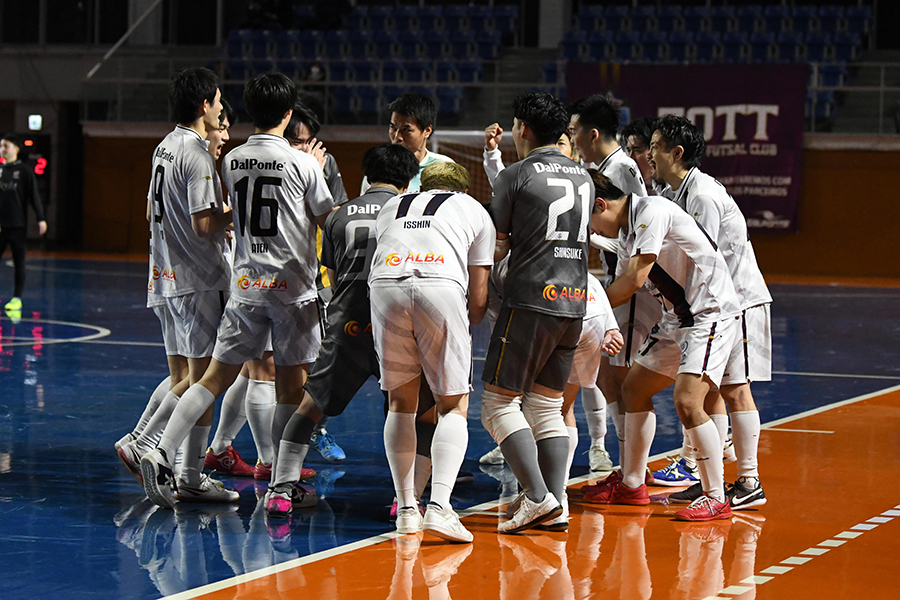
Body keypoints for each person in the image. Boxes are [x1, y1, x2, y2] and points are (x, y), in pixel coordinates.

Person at [141, 71, 334, 510]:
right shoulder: (304, 163)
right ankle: (282, 486)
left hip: (245, 286)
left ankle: (161, 450)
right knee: (290, 386)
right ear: (289, 113)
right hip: (290, 290)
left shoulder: (231, 159)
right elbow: (328, 219)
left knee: (212, 378)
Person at [265, 143, 419, 519]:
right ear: (407, 181)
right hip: (395, 325)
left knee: (309, 408)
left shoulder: (338, 216)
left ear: (366, 176)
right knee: (407, 410)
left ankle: (280, 490)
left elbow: (333, 280)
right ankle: (407, 499)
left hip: (347, 324)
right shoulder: (412, 212)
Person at [584, 173, 742, 522]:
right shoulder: (627, 231)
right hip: (678, 317)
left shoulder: (651, 210)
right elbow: (620, 274)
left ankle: (716, 497)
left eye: (589, 219)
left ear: (600, 204)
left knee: (688, 401)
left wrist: (583, 308)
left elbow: (634, 279)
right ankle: (632, 484)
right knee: (634, 389)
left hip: (710, 312)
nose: (592, 228)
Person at [118, 68, 236, 504]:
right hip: (198, 279)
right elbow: (204, 225)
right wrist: (238, 212)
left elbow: (150, 211)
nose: (221, 110)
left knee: (182, 377)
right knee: (204, 381)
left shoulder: (164, 146)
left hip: (164, 276)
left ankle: (143, 443)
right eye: (218, 102)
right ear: (204, 105)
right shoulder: (196, 153)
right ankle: (178, 467)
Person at [481, 92, 592, 533]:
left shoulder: (516, 174)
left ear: (522, 128)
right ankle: (555, 502)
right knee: (547, 407)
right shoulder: (583, 175)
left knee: (497, 404)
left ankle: (537, 497)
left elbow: (497, 246)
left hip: (530, 299)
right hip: (575, 300)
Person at [650, 115, 770, 509]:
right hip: (717, 305)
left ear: (676, 153)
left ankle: (749, 481)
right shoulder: (676, 192)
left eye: (655, 147)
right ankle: (709, 481)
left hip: (738, 301)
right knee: (713, 391)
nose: (649, 154)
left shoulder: (701, 194)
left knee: (736, 389)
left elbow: (705, 257)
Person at [370, 160, 494, 543]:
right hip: (440, 284)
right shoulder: (474, 208)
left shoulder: (391, 205)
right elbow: (478, 300)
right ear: (464, 189)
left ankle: (407, 510)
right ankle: (440, 507)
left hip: (384, 285)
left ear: (421, 186)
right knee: (452, 405)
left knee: (400, 404)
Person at [568, 94, 660, 476]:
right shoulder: (604, 167)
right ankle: (626, 468)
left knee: (620, 379)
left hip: (631, 285)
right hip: (617, 278)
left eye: (573, 131)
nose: (571, 139)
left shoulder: (621, 169)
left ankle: (632, 471)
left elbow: (638, 228)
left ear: (592, 134)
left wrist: (602, 297)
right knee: (608, 377)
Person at [283, 101, 350, 462]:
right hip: (270, 276)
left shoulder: (326, 164)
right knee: (255, 371)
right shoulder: (272, 163)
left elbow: (335, 218)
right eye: (297, 141)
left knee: (320, 363)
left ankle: (312, 431)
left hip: (314, 278)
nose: (305, 148)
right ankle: (228, 446)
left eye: (310, 141)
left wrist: (316, 174)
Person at [360, 92, 453, 194]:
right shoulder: (377, 168)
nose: (397, 137)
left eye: (406, 130)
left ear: (427, 131)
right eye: (393, 128)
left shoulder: (444, 168)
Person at [0, 133, 47, 316]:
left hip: (17, 225)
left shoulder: (25, 171)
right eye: (1, 146)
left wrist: (41, 218)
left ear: (16, 149)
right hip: (0, 226)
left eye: (6, 146)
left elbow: (34, 196)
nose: (3, 149)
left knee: (19, 261)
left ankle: (16, 298)